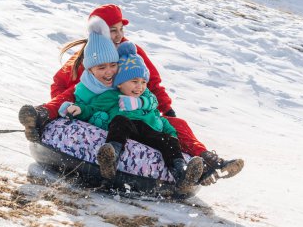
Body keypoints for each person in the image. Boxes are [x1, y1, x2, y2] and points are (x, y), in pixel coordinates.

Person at [18, 4, 243, 185]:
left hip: (135, 108)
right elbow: (62, 82)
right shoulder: (91, 53)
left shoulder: (132, 52)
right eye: (111, 30)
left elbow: (152, 82)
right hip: (100, 107)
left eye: (120, 29)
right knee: (72, 92)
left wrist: (166, 109)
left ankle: (210, 161)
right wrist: (63, 111)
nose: (117, 35)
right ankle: (40, 116)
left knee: (176, 125)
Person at [61, 38, 204, 189]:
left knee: (169, 141)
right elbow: (92, 108)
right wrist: (79, 109)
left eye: (143, 82)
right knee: (120, 121)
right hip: (127, 130)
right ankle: (110, 158)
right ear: (120, 83)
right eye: (134, 81)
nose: (140, 87)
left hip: (149, 133)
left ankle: (182, 174)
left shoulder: (146, 100)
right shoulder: (111, 97)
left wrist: (172, 135)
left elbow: (160, 119)